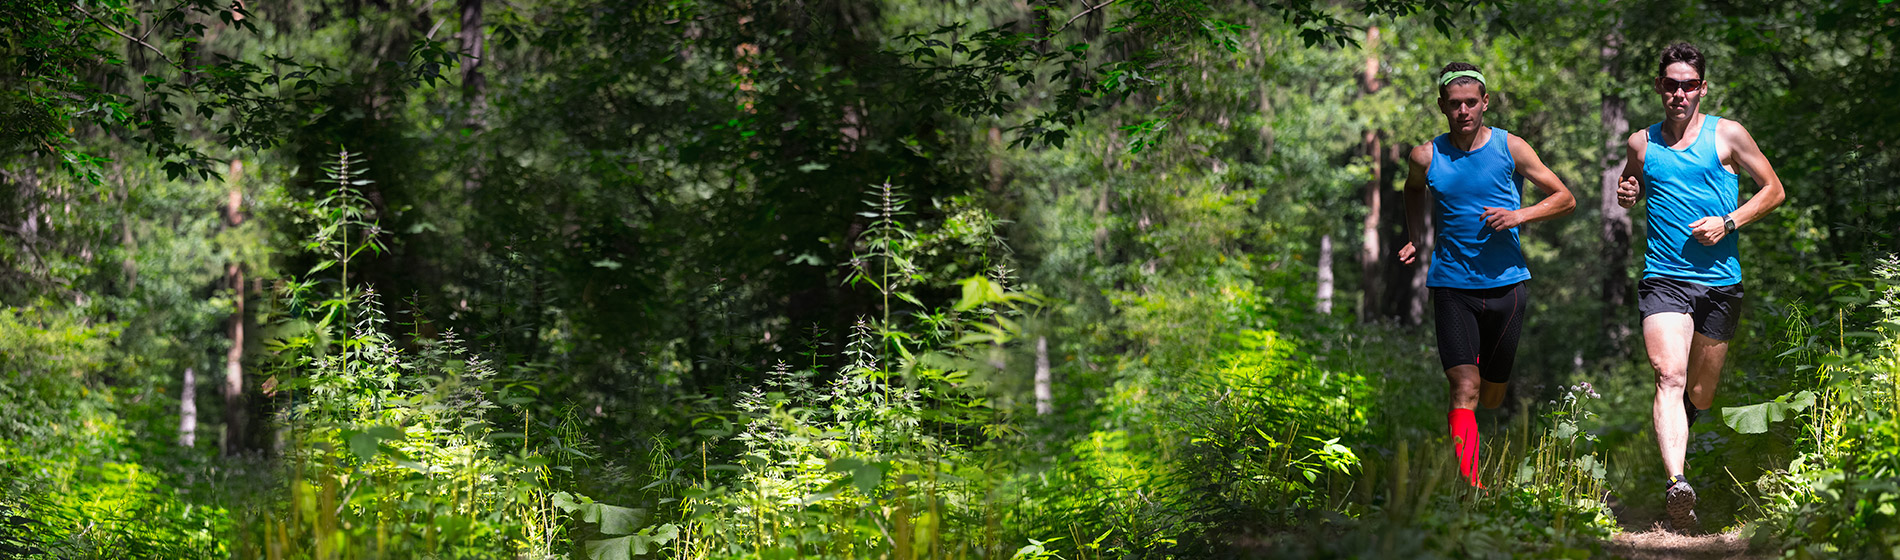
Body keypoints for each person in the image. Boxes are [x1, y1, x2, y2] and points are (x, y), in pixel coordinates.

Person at [1616, 42, 1785, 531]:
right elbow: (1630, 187)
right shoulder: (1640, 143)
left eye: (1689, 85)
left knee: (1700, 393)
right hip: (1664, 277)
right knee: (1668, 375)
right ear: (1658, 87)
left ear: (1702, 88)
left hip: (1720, 284)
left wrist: (1728, 222)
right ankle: (1677, 484)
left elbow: (1773, 189)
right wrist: (1627, 192)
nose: (1679, 93)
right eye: (1671, 84)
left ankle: (1684, 433)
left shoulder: (1727, 134)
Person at [1400, 62, 1576, 488]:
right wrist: (1415, 238)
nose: (1463, 111)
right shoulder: (1426, 155)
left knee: (1491, 395)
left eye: (1471, 102)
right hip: (1451, 285)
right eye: (1455, 104)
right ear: (1442, 105)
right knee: (1465, 388)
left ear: (1485, 102)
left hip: (1507, 286)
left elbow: (1565, 198)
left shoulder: (1510, 147)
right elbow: (1412, 190)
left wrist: (1519, 214)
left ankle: (1482, 450)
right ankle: (1472, 488)